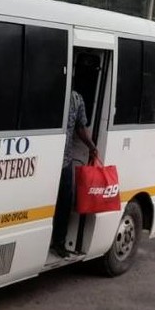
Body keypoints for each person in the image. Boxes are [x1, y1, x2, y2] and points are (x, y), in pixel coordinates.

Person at [50, 90, 98, 258]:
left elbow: (80, 127)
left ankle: (57, 242)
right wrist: (92, 147)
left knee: (63, 203)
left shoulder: (75, 98)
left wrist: (91, 147)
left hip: (62, 160)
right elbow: (81, 128)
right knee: (60, 203)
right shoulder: (74, 97)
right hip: (53, 160)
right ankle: (56, 243)